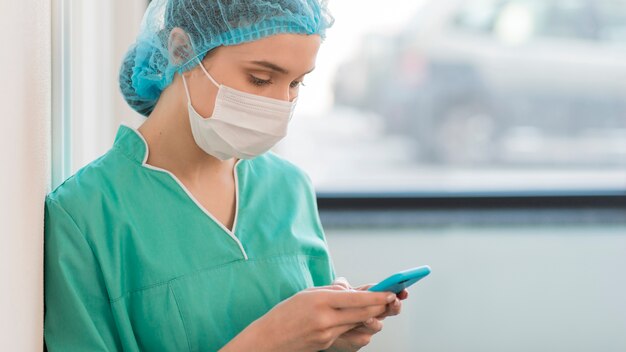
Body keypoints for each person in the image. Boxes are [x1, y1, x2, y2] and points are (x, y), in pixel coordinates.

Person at [44, 0, 408, 350]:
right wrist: (270, 341)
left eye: (297, 83)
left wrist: (329, 339)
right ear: (182, 50)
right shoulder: (85, 215)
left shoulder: (288, 187)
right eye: (261, 79)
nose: (281, 105)